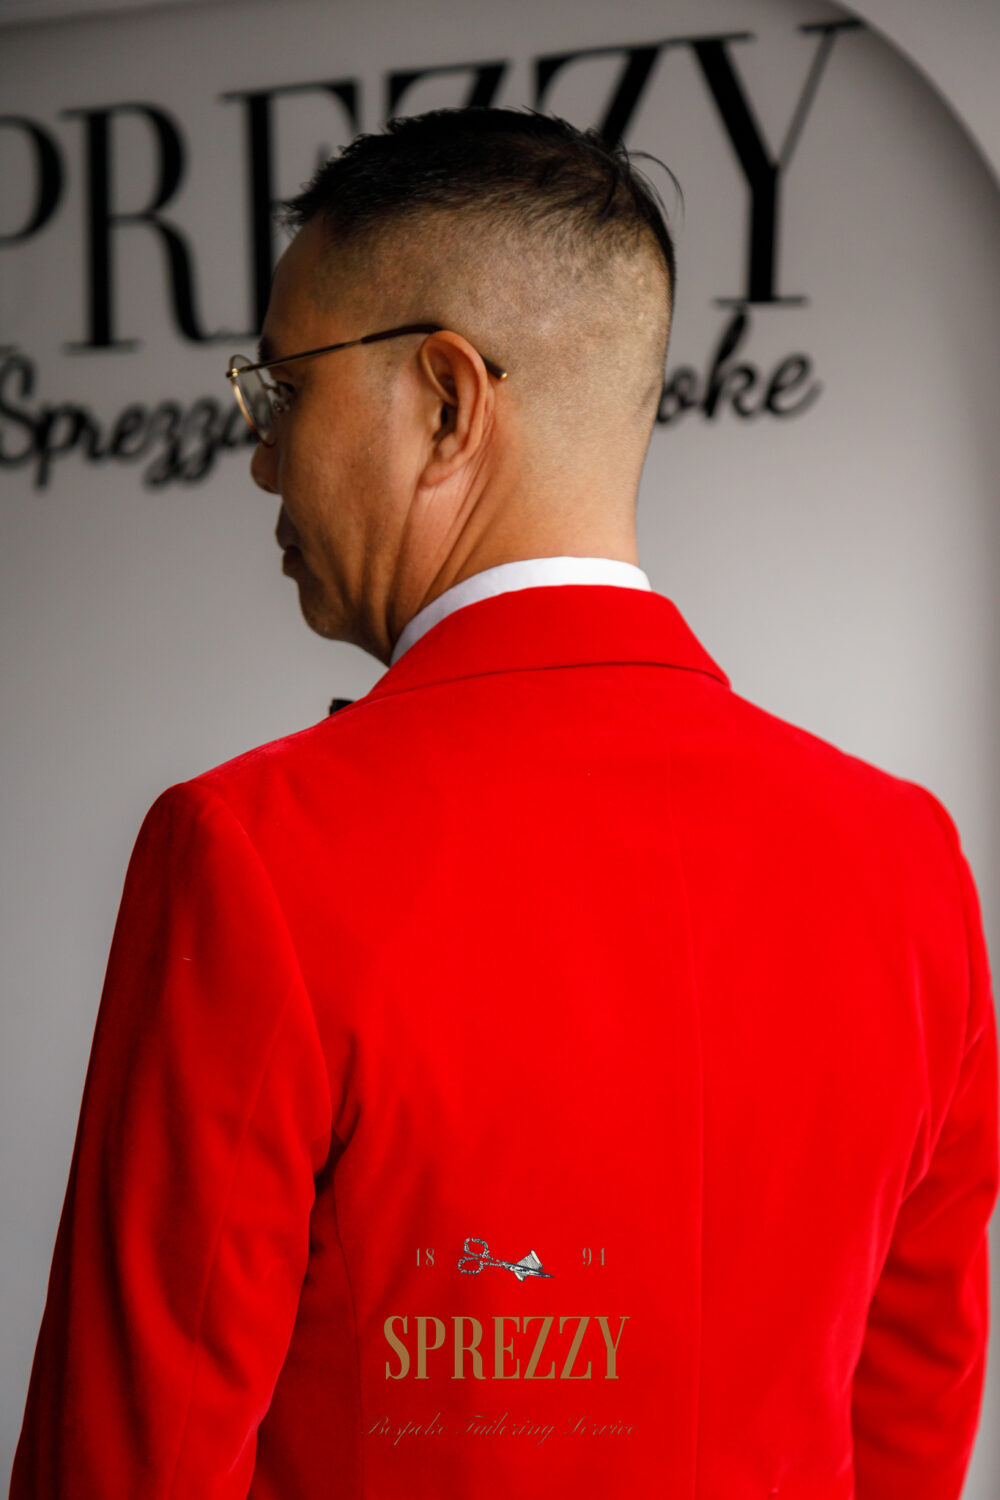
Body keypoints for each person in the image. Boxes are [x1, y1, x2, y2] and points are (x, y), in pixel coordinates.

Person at [10, 106, 998, 1500]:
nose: (263, 458)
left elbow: (130, 1465)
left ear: (447, 402)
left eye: (282, 390)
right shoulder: (908, 862)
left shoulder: (255, 853)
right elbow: (906, 1428)